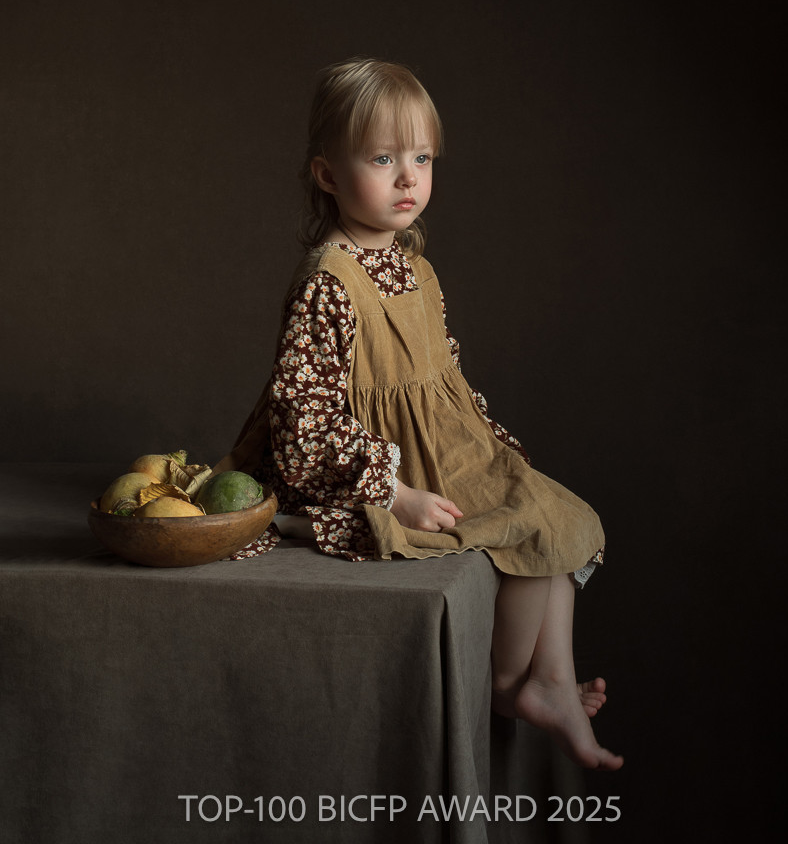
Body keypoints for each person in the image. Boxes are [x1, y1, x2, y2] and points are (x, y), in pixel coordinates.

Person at [215, 57, 623, 771]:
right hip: (375, 462)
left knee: (560, 514)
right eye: (383, 159)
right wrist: (391, 491)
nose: (408, 178)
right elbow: (303, 414)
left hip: (440, 443)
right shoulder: (327, 283)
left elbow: (443, 380)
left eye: (422, 158)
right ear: (328, 175)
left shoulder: (414, 266)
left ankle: (552, 679)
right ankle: (507, 685)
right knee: (529, 528)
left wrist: (493, 447)